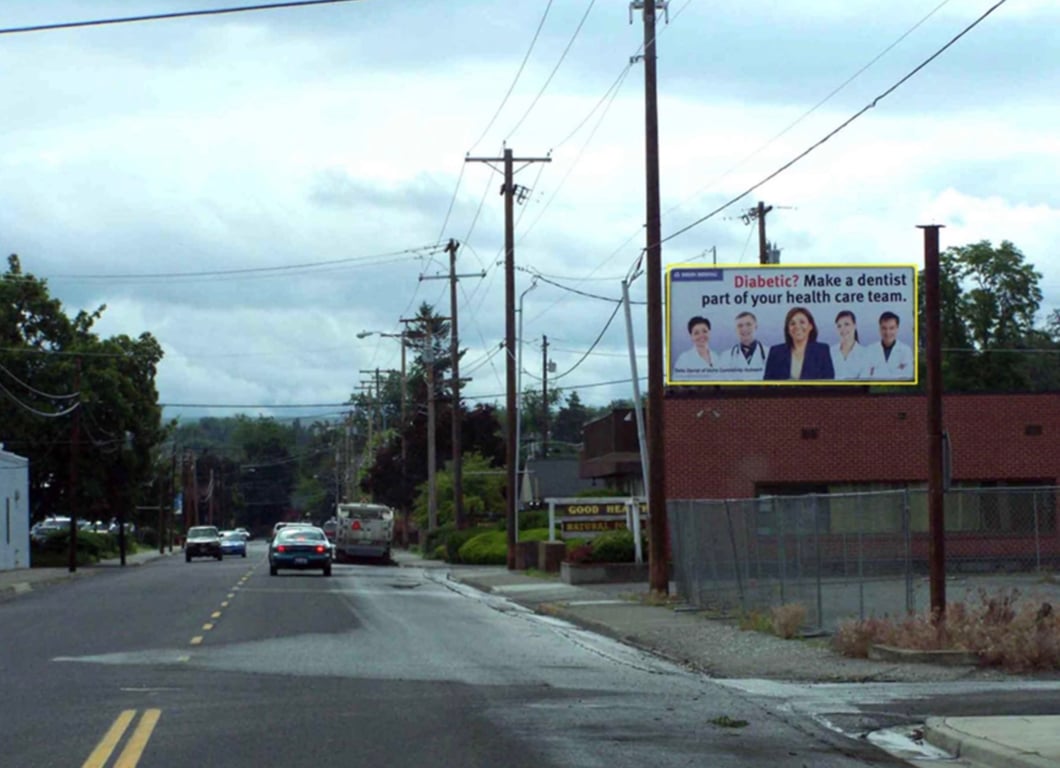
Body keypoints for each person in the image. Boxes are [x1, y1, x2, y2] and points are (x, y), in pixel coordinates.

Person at [764, 306, 835, 381]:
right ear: (788, 329)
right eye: (792, 323)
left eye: (802, 322)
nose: (797, 326)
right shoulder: (776, 352)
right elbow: (767, 383)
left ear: (810, 326)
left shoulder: (822, 351)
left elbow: (828, 380)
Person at [865, 311, 914, 379]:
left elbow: (907, 375)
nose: (887, 332)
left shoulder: (906, 350)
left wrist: (875, 371)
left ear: (897, 329)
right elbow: (866, 375)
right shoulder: (870, 349)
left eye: (891, 328)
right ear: (879, 329)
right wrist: (896, 370)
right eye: (884, 328)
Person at [724, 311, 767, 379]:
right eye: (740, 326)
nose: (744, 329)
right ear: (735, 330)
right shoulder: (726, 356)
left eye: (748, 324)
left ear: (756, 327)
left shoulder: (769, 353)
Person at [829, 310, 870, 380]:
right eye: (839, 326)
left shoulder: (865, 354)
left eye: (846, 324)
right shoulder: (830, 352)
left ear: (855, 326)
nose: (843, 329)